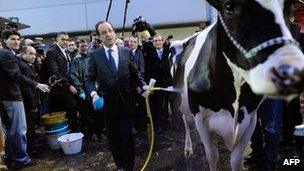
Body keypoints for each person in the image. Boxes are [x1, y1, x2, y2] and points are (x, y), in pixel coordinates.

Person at [85, 21, 147, 171]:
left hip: (126, 102)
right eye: (104, 32)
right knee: (113, 138)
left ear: (114, 31)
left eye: (110, 30)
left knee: (128, 137)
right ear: (99, 37)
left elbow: (135, 73)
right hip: (108, 104)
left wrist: (142, 84)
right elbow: (89, 79)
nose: (108, 34)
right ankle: (120, 165)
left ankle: (129, 167)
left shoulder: (125, 51)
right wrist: (93, 94)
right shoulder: (94, 55)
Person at [0, 29, 49, 167]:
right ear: (5, 41)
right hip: (12, 96)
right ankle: (21, 159)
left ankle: (11, 158)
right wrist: (37, 84)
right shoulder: (7, 54)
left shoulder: (7, 54)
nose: (16, 42)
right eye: (12, 39)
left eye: (17, 39)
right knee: (19, 129)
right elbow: (16, 76)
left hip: (7, 96)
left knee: (10, 130)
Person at [45, 32, 78, 131]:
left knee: (71, 109)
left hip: (66, 86)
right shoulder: (52, 51)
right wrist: (69, 86)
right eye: (63, 39)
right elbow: (55, 72)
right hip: (59, 88)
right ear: (57, 39)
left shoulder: (66, 51)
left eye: (67, 39)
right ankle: (70, 132)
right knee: (67, 109)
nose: (65, 41)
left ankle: (72, 131)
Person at [17, 46, 41, 155]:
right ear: (23, 54)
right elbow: (26, 88)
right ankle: (30, 149)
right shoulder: (24, 66)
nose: (33, 56)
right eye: (30, 54)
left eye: (34, 54)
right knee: (29, 126)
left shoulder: (29, 65)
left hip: (30, 99)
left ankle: (32, 146)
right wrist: (33, 105)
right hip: (28, 101)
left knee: (31, 126)